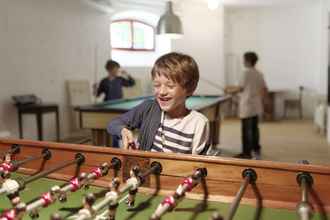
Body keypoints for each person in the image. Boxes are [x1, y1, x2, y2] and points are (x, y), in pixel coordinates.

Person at [107, 52, 211, 155]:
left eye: (170, 86)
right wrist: (123, 131)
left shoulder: (199, 123)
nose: (161, 92)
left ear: (189, 89)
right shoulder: (148, 108)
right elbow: (113, 123)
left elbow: (200, 167)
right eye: (157, 85)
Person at [225, 52, 268, 159]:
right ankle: (256, 148)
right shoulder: (259, 73)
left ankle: (246, 153)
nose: (243, 62)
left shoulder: (245, 73)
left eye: (244, 60)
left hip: (247, 105)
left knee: (246, 130)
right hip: (256, 105)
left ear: (248, 61)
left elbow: (240, 88)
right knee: (254, 128)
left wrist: (229, 90)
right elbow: (264, 89)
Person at [94, 60, 135, 148]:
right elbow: (97, 94)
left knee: (117, 126)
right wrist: (95, 88)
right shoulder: (104, 81)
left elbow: (132, 83)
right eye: (116, 69)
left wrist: (126, 74)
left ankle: (115, 147)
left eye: (118, 69)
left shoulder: (120, 79)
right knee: (109, 126)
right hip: (107, 107)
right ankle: (110, 147)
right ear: (110, 70)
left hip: (119, 107)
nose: (117, 71)